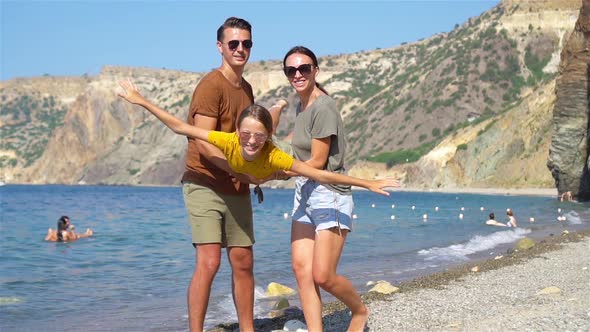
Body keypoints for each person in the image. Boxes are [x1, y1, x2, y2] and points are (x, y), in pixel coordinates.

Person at [117, 80, 399, 195]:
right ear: (237, 133)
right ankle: (276, 108)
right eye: (246, 135)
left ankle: (277, 107)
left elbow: (323, 175)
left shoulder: (275, 154)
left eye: (256, 137)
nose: (251, 141)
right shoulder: (228, 140)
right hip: (259, 165)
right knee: (265, 125)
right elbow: (180, 127)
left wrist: (367, 183)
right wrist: (140, 100)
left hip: (275, 167)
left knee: (271, 131)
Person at [280, 45, 373, 332]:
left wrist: (281, 170)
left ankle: (359, 311)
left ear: (315, 70)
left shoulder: (323, 106)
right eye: (291, 70)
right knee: (302, 271)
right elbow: (298, 147)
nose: (298, 74)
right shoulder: (301, 105)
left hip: (329, 193)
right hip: (305, 191)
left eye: (304, 68)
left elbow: (319, 161)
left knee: (322, 275)